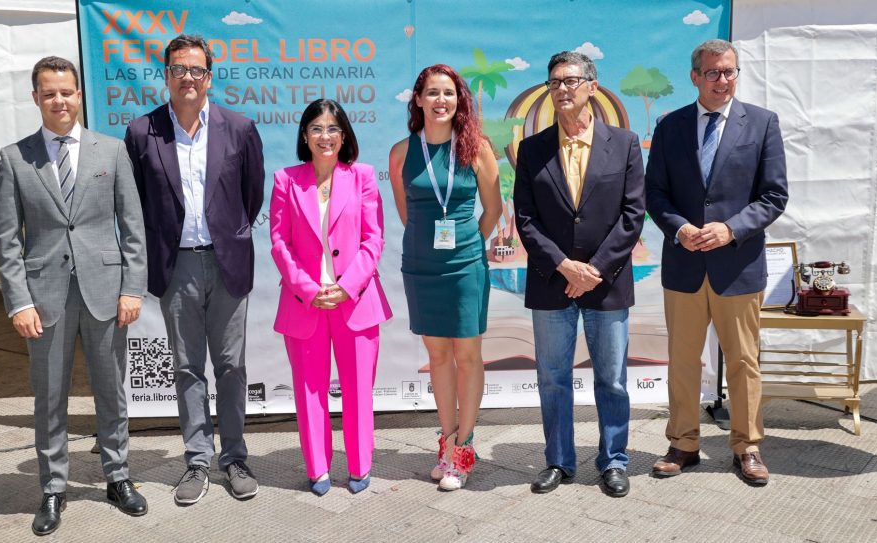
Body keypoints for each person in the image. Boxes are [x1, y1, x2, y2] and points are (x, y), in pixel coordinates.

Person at [0, 56, 148, 535]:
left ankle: (117, 476)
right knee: (49, 398)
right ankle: (53, 488)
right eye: (49, 93)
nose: (59, 100)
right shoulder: (15, 158)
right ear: (36, 98)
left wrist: (132, 288)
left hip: (106, 292)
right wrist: (18, 301)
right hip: (44, 299)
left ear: (79, 95)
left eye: (67, 91)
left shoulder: (111, 150)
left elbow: (133, 226)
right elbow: (8, 238)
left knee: (112, 393)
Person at [124, 34, 266, 503]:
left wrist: (231, 236)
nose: (188, 77)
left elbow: (251, 196)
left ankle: (234, 457)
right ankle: (197, 461)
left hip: (227, 263)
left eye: (197, 70)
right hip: (176, 265)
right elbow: (138, 204)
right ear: (166, 74)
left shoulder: (239, 128)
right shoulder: (142, 132)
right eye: (179, 69)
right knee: (187, 368)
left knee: (230, 366)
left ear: (210, 75)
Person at [646, 39, 788, 486]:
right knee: (682, 359)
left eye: (729, 72)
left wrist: (730, 229)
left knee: (744, 361)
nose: (722, 81)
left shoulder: (763, 123)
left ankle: (747, 447)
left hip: (738, 265)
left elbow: (774, 195)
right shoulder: (670, 127)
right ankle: (683, 444)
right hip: (684, 264)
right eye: (713, 73)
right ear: (695, 77)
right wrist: (679, 228)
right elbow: (655, 194)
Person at [513, 51, 645, 497]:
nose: (562, 90)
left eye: (571, 81)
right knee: (552, 378)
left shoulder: (625, 144)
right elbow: (525, 219)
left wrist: (595, 270)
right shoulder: (533, 150)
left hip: (606, 285)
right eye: (554, 83)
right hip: (552, 282)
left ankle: (613, 460)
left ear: (592, 85)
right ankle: (559, 461)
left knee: (612, 378)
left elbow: (632, 215)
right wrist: (563, 265)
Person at [270, 99, 392, 496]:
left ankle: (359, 466)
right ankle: (318, 468)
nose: (325, 137)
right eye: (317, 129)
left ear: (344, 136)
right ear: (305, 136)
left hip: (354, 301)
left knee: (358, 390)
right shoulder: (286, 180)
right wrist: (308, 289)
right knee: (309, 390)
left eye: (333, 129)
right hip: (305, 303)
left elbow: (373, 240)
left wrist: (348, 285)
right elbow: (278, 243)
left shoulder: (363, 177)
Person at [388, 64, 502, 491]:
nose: (441, 101)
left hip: (465, 265)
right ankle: (446, 440)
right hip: (421, 266)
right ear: (418, 100)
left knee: (467, 356)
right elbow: (405, 212)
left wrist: (468, 245)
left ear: (460, 101)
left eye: (449, 94)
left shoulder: (476, 148)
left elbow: (494, 211)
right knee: (437, 358)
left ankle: (464, 446)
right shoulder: (401, 152)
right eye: (432, 93)